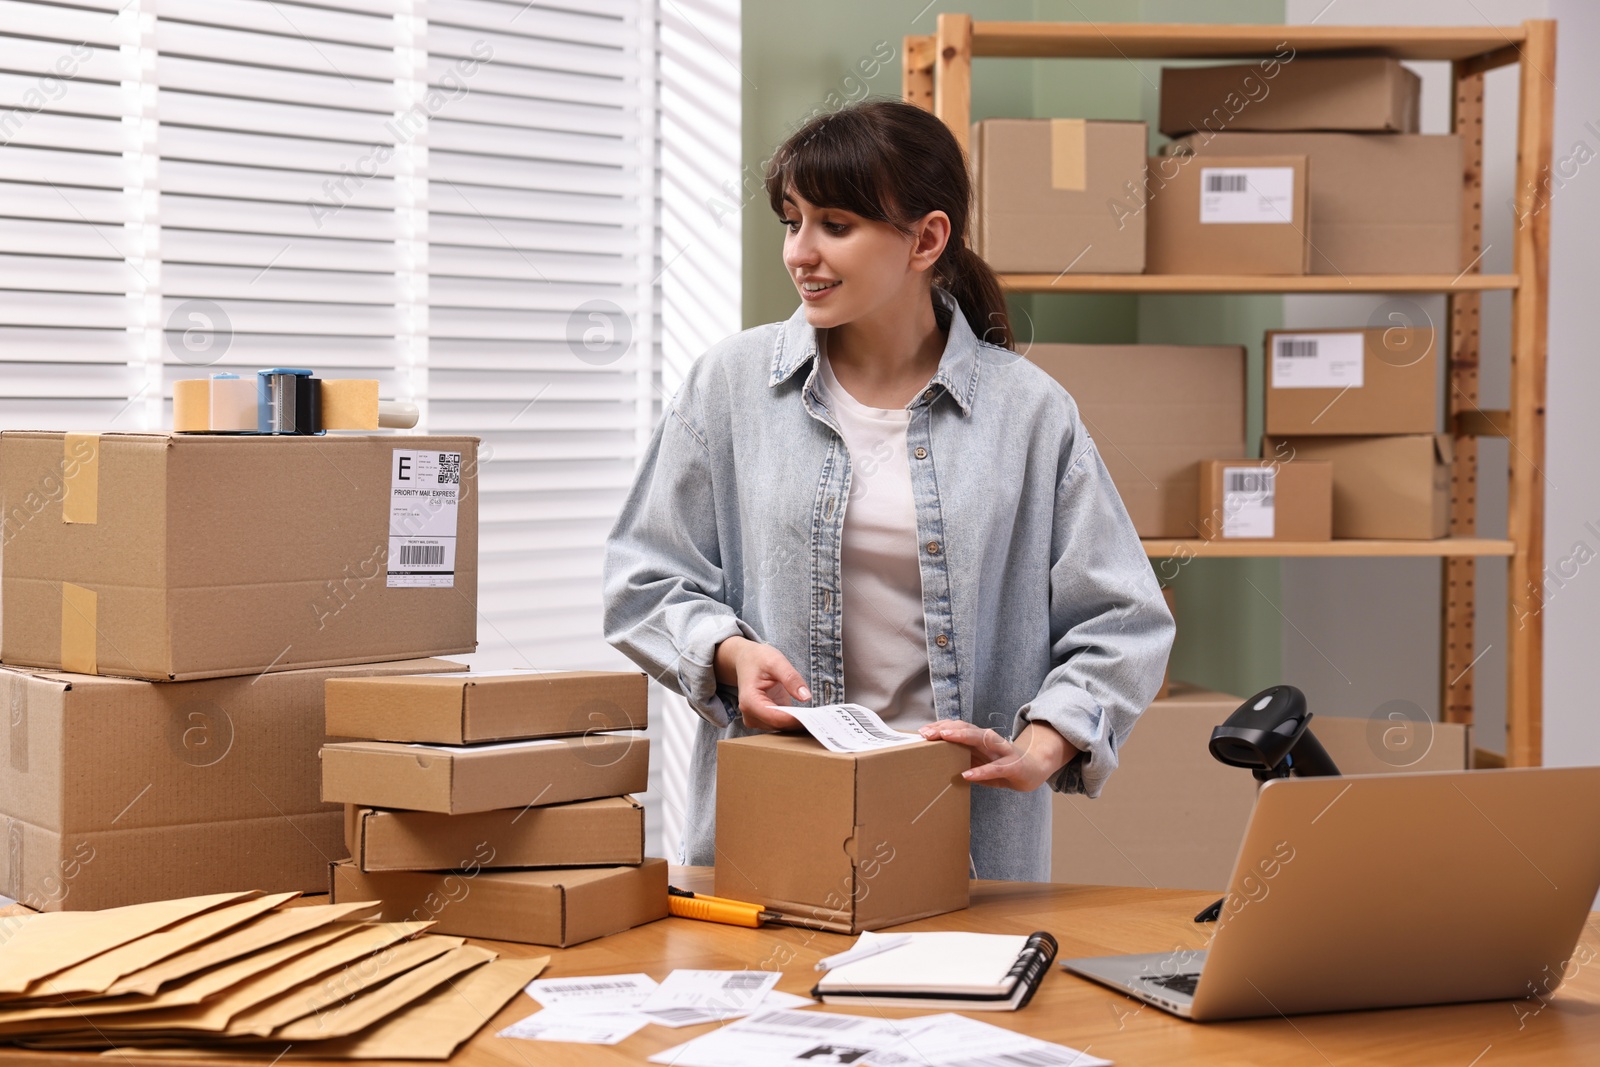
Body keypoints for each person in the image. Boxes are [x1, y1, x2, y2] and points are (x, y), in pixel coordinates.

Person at [602, 98, 1173, 882]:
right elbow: (643, 577)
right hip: (777, 829)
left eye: (834, 224)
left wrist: (1042, 744)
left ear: (927, 239)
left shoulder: (1029, 412)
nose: (800, 252)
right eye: (791, 220)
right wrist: (731, 654)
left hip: (969, 848)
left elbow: (1124, 619)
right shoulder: (728, 387)